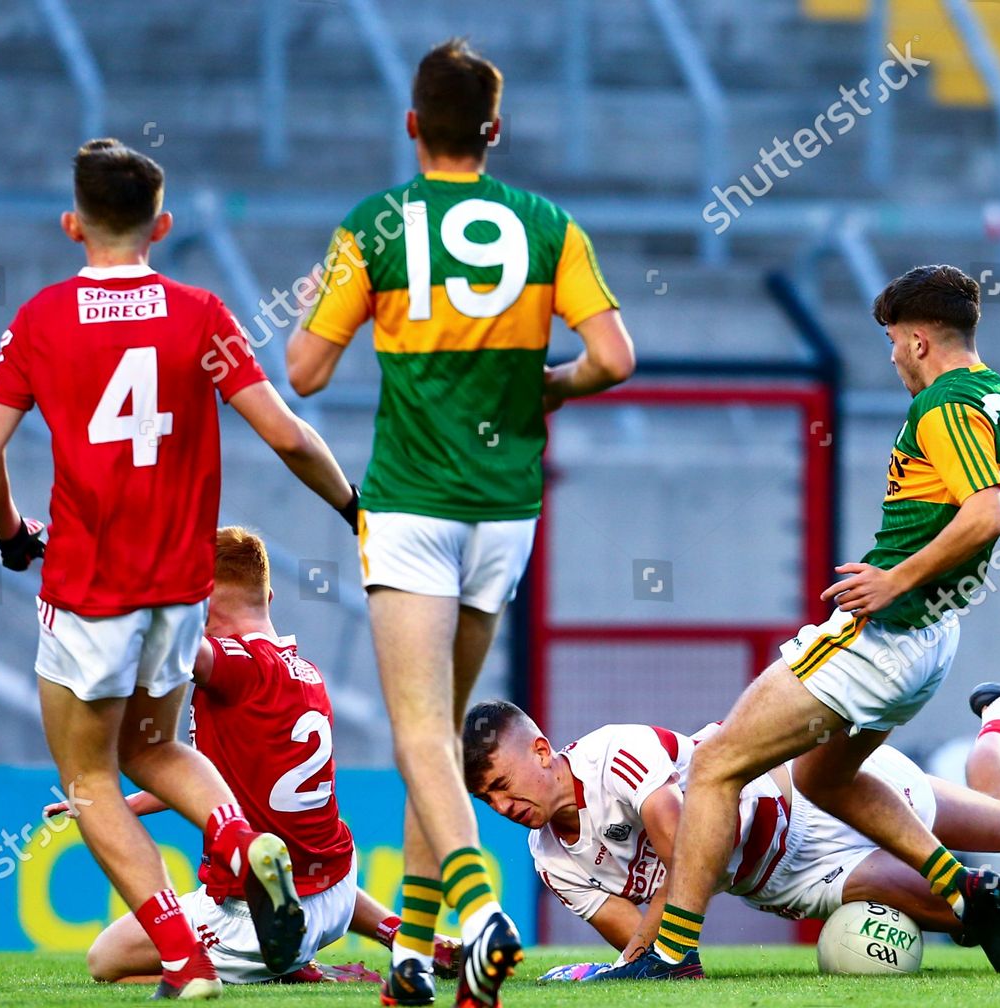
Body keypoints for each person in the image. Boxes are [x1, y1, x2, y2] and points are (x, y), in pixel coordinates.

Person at [285, 38, 635, 1008]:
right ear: (494, 130)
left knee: (419, 735)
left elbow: (305, 371)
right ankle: (416, 956)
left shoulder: (377, 225)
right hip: (505, 514)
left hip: (409, 506)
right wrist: (550, 388)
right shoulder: (548, 226)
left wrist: (353, 312)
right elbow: (613, 356)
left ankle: (480, 913)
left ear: (411, 127)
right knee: (434, 737)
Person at [612, 265, 1000, 980]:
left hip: (884, 631)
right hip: (933, 640)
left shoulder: (946, 406)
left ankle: (670, 955)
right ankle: (968, 889)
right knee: (824, 780)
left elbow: (984, 512)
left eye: (893, 340)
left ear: (920, 340)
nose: (892, 355)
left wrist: (894, 576)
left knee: (714, 767)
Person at [0, 139, 358, 999]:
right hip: (181, 590)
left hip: (87, 589)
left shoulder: (40, 320)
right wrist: (354, 511)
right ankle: (235, 838)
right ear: (164, 225)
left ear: (72, 224)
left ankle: (187, 964)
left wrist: (8, 535)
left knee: (90, 775)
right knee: (155, 746)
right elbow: (288, 434)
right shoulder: (203, 317)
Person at [44, 527, 461, 987]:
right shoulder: (307, 674)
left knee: (107, 961)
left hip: (254, 924)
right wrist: (121, 806)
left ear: (198, 599)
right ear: (270, 594)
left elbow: (182, 648)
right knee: (297, 854)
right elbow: (216, 779)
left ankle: (292, 970)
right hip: (339, 888)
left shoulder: (237, 666)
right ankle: (395, 930)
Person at [462, 696, 1000, 971]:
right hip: (784, 881)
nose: (500, 805)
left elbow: (691, 857)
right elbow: (651, 954)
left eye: (501, 782)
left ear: (542, 751)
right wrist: (643, 959)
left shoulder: (613, 755)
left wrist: (652, 948)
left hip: (812, 798)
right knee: (967, 915)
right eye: (486, 798)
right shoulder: (549, 859)